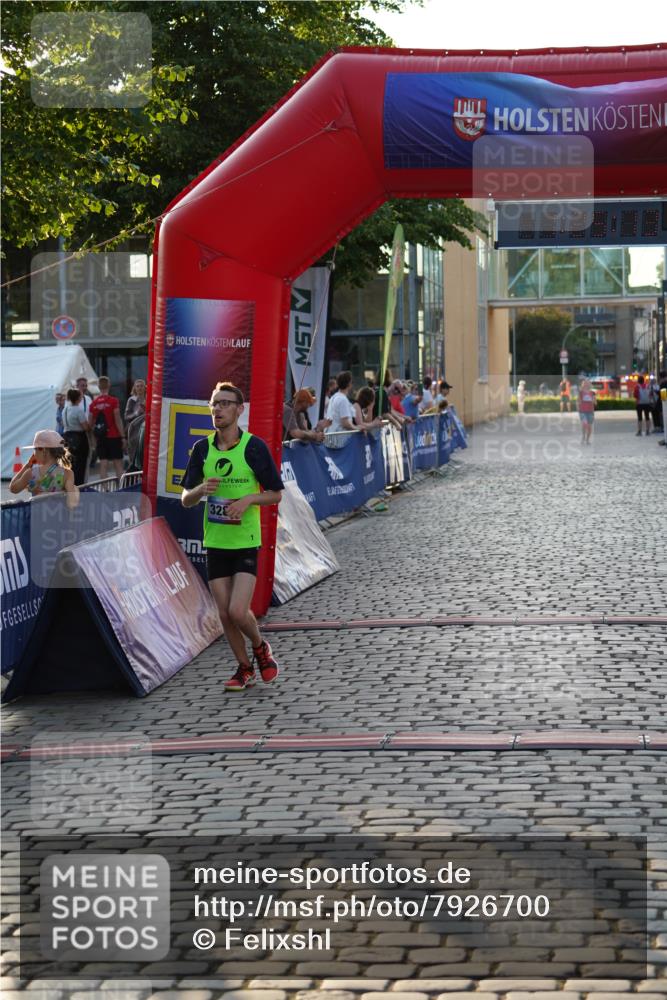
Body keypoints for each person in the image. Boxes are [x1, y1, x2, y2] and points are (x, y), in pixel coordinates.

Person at [180, 381, 284, 692]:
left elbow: (276, 495)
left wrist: (249, 499)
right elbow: (186, 498)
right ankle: (243, 667)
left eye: (225, 404)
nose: (218, 409)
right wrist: (201, 489)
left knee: (239, 611)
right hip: (215, 542)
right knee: (224, 615)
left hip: (246, 541)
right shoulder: (202, 449)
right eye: (214, 404)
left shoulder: (253, 447)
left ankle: (260, 646)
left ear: (240, 410)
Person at [10, 430, 78, 509]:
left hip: (36, 518)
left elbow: (13, 488)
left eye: (35, 449)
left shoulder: (31, 473)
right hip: (57, 518)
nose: (34, 453)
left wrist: (27, 466)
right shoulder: (68, 473)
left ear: (44, 450)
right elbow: (72, 503)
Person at [89, 375, 125, 479]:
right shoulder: (113, 401)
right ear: (109, 385)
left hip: (101, 437)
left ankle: (105, 490)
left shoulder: (94, 404)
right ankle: (122, 489)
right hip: (114, 436)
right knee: (118, 464)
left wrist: (93, 439)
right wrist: (123, 437)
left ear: (98, 386)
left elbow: (90, 424)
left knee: (103, 465)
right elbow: (117, 419)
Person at [61, 387, 91, 485]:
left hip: (66, 437)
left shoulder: (65, 409)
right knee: (81, 464)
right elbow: (85, 427)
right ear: (79, 398)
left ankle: (69, 484)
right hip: (79, 438)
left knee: (69, 464)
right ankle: (79, 485)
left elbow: (62, 423)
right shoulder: (79, 410)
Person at [577, 378, 596, 444]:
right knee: (584, 424)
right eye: (584, 383)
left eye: (587, 383)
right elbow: (578, 401)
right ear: (583, 385)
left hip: (590, 411)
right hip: (582, 411)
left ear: (589, 384)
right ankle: (583, 437)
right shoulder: (580, 392)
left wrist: (593, 400)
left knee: (590, 427)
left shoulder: (592, 393)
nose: (586, 384)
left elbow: (595, 403)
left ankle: (587, 440)